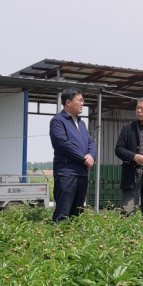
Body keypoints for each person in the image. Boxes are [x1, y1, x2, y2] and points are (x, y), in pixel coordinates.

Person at [50, 88, 97, 223]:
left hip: (82, 173)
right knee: (63, 213)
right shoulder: (58, 121)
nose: (82, 103)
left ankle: (74, 236)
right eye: (79, 100)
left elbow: (90, 142)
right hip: (66, 173)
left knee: (77, 213)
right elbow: (63, 144)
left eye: (83, 101)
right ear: (68, 102)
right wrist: (84, 159)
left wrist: (91, 156)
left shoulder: (81, 123)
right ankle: (60, 235)